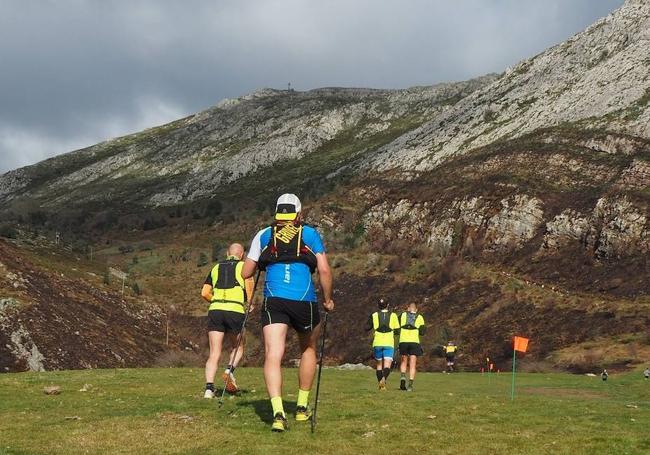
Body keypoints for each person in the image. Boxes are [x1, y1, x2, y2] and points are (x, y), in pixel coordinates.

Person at [241, 194, 334, 432]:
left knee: (273, 354)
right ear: (298, 214)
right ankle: (302, 409)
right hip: (305, 301)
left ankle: (278, 413)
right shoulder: (310, 234)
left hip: (275, 301)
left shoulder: (263, 235)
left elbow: (245, 273)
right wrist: (328, 299)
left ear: (277, 214)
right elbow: (323, 270)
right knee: (308, 349)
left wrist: (259, 260)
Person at [201, 243, 255, 399]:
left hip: (216, 310)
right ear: (242, 255)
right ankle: (228, 371)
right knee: (238, 347)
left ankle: (209, 390)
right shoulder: (244, 268)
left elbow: (204, 292)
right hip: (235, 310)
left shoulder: (215, 268)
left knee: (214, 352)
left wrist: (216, 300)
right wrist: (250, 304)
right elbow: (250, 291)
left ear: (227, 253)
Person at [366, 298, 400, 390]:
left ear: (378, 306)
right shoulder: (393, 315)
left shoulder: (374, 315)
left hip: (377, 342)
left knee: (379, 365)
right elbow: (397, 331)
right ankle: (383, 380)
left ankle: (381, 386)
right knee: (387, 365)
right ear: (388, 305)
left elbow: (366, 327)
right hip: (389, 342)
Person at [398, 302, 425, 391]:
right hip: (414, 342)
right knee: (412, 363)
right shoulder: (420, 317)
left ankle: (402, 377)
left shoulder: (402, 315)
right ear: (416, 310)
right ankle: (410, 385)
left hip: (403, 340)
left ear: (408, 308)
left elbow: (397, 327)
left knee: (403, 360)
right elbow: (422, 332)